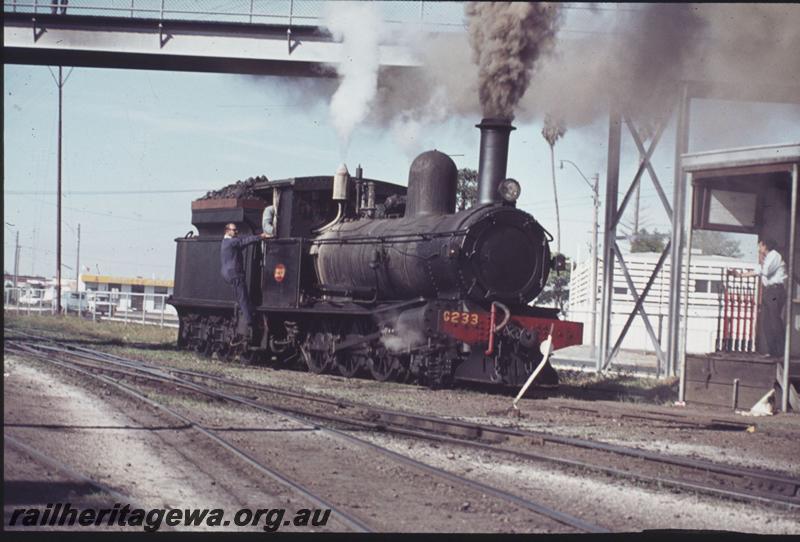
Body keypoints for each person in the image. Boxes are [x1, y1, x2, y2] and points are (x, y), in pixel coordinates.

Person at [732, 238, 787, 358]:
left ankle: (781, 351)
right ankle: (773, 351)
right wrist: (740, 275)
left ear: (765, 246)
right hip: (769, 291)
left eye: (760, 246)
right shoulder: (768, 258)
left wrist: (761, 259)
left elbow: (765, 271)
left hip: (775, 290)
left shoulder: (774, 256)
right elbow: (758, 271)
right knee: (766, 322)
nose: (759, 249)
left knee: (774, 321)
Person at [220, 223, 272, 332]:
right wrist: (261, 236)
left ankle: (244, 315)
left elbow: (242, 243)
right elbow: (244, 241)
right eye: (234, 230)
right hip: (234, 273)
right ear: (227, 231)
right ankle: (251, 323)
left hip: (228, 273)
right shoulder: (232, 242)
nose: (236, 232)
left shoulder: (225, 242)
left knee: (240, 297)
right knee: (243, 297)